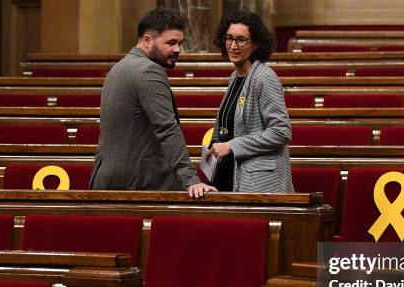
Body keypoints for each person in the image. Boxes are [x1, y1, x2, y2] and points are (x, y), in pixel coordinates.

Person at [89, 8, 216, 198]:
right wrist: (191, 179)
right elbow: (167, 128)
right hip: (139, 184)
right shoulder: (148, 71)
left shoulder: (117, 68)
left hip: (107, 180)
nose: (178, 49)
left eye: (180, 43)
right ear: (147, 40)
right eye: (171, 43)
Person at [208, 10, 294, 193]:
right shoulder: (235, 77)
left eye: (241, 39)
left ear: (255, 44)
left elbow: (281, 131)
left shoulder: (263, 77)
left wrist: (232, 145)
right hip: (233, 175)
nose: (233, 45)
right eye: (229, 38)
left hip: (262, 184)